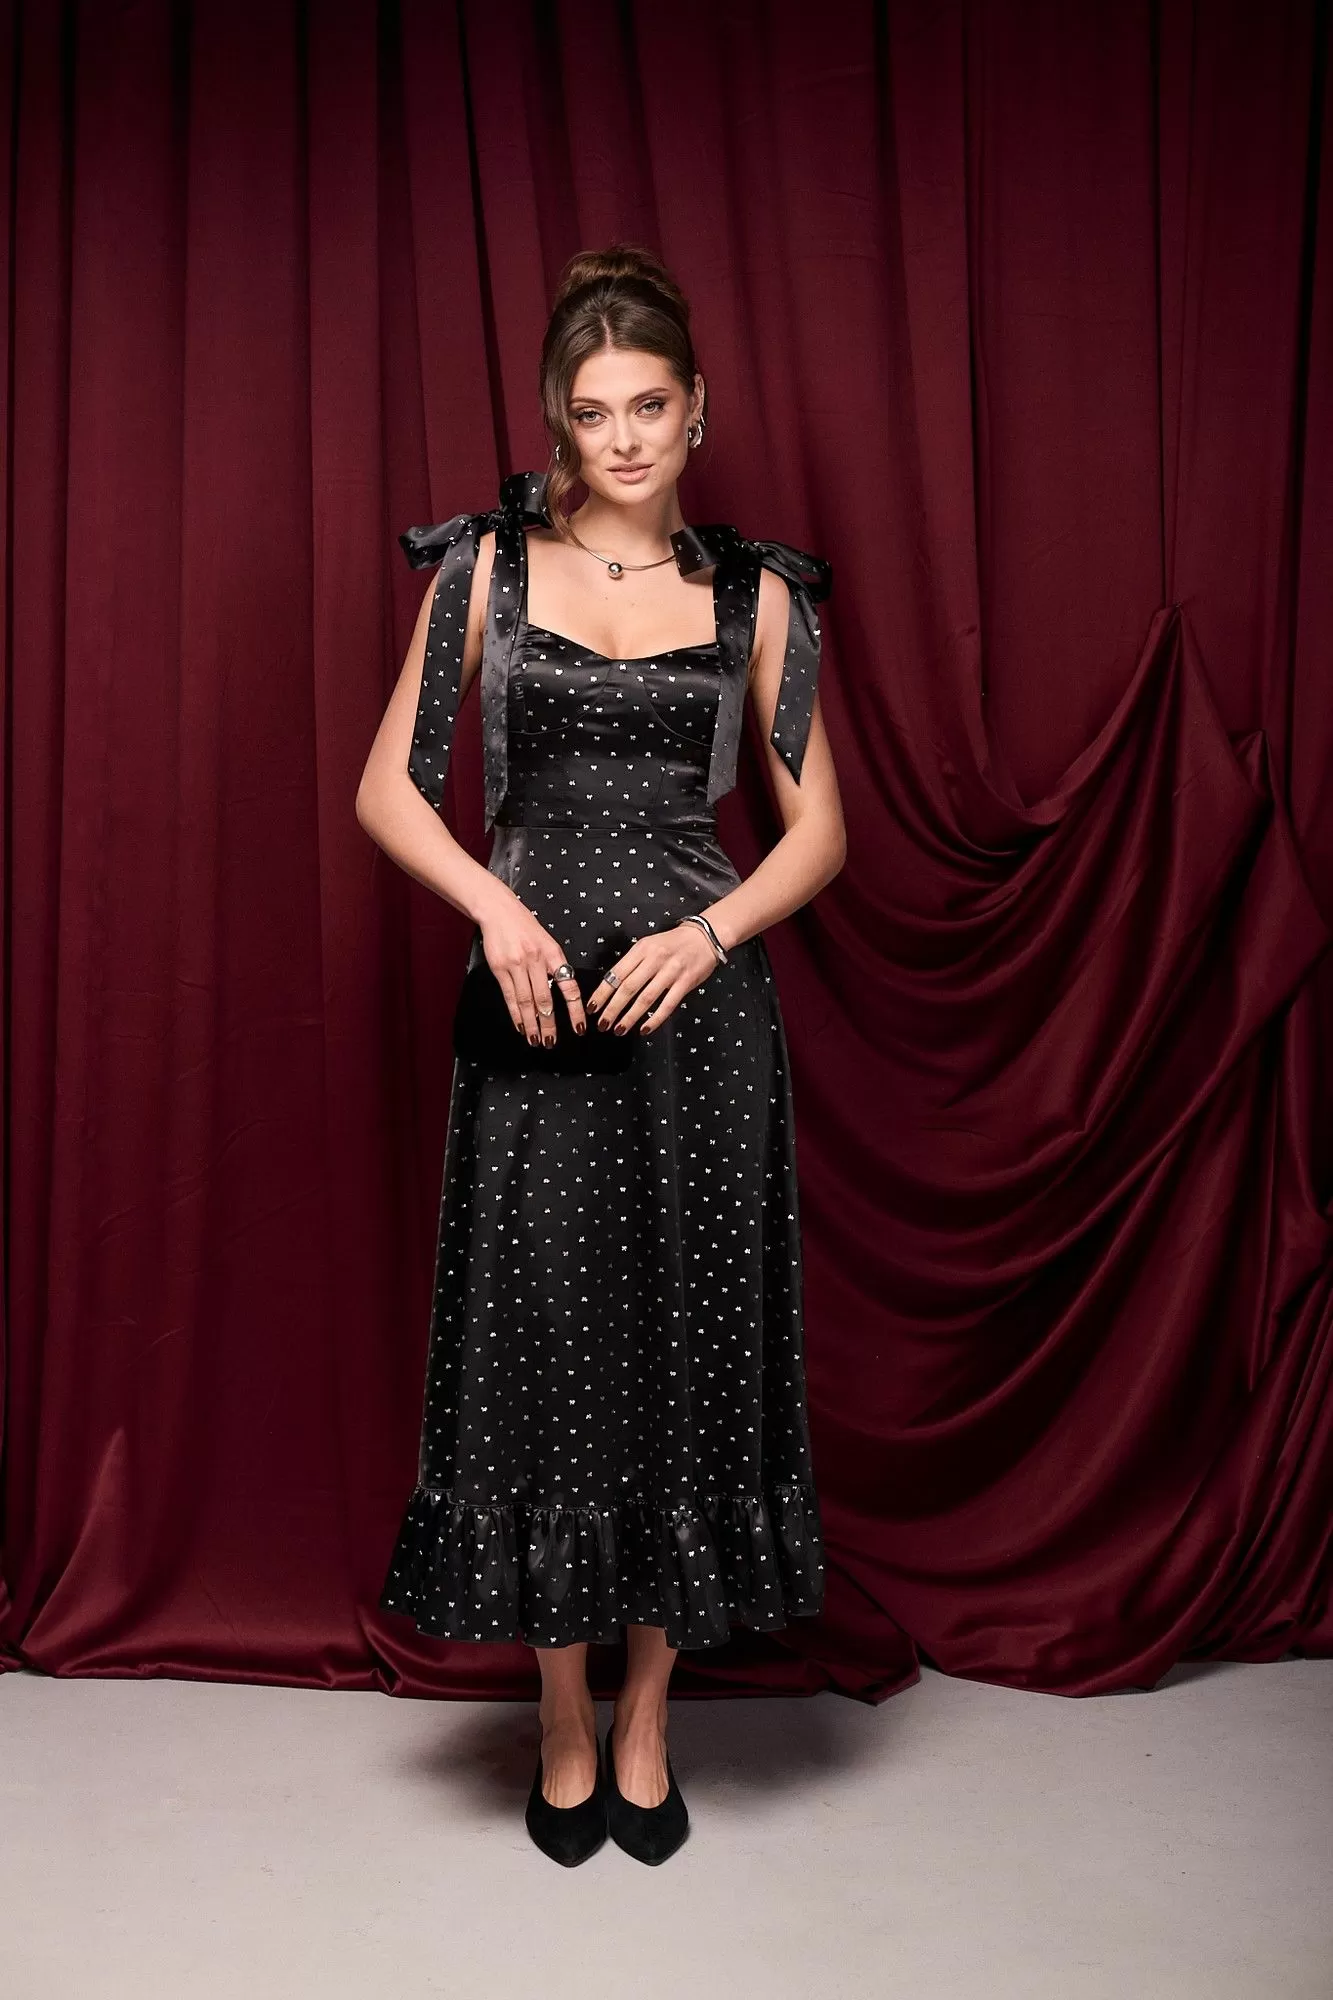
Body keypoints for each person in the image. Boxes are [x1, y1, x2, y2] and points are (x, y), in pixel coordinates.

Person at [355, 243, 846, 1866]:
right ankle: (562, 1714)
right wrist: (495, 907)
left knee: (686, 1355)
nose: (623, 437)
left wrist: (710, 936)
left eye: (648, 405)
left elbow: (819, 832)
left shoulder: (758, 597)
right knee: (539, 1353)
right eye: (593, 410)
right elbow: (385, 789)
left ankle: (648, 1713)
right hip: (538, 1015)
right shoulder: (486, 572)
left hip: (701, 1029)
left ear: (697, 410)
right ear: (558, 421)